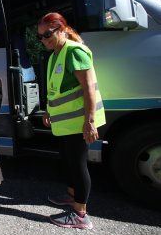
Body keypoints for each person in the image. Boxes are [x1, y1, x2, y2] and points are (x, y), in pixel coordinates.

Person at [37, 12, 106, 229]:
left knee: (78, 165)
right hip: (64, 123)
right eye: (40, 37)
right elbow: (55, 89)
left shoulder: (74, 51)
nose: (44, 39)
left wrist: (90, 121)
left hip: (79, 122)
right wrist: (48, 110)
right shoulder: (55, 54)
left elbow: (88, 89)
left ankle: (81, 215)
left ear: (62, 29)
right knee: (68, 162)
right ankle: (72, 195)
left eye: (47, 34)